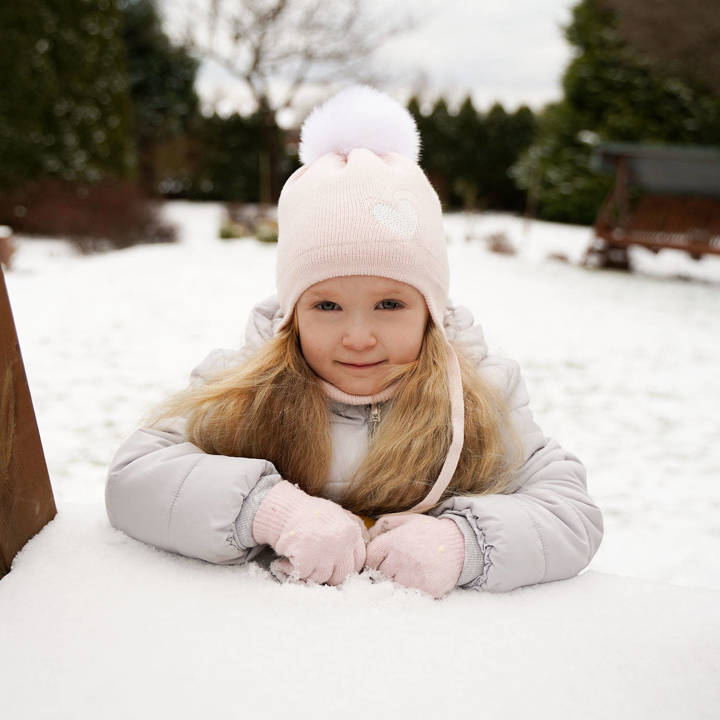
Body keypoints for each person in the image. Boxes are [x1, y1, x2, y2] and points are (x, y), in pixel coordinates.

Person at [106, 86, 603, 598]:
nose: (359, 337)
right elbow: (136, 479)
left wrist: (463, 542)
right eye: (326, 306)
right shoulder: (242, 385)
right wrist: (269, 511)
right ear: (291, 312)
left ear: (431, 312)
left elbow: (568, 513)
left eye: (390, 305)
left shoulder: (481, 392)